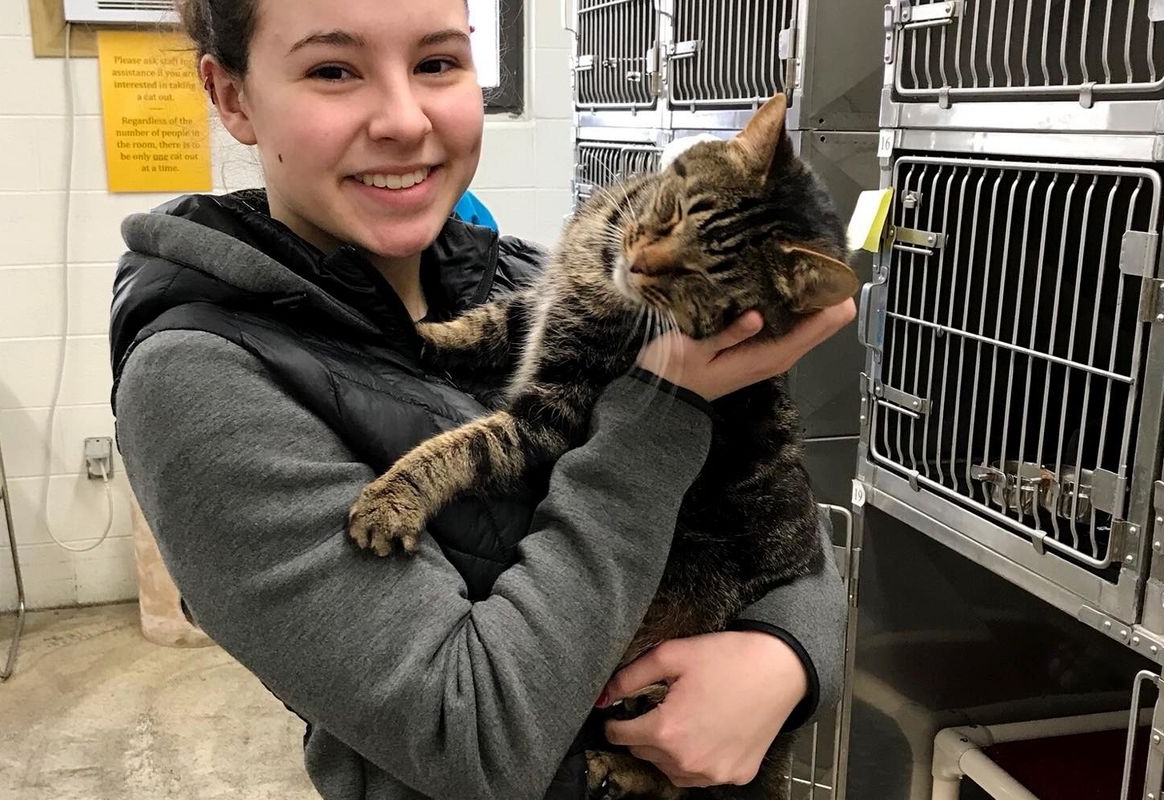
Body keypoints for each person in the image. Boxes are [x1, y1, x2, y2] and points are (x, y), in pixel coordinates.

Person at [109, 1, 854, 798]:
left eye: (437, 63)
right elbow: (474, 743)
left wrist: (785, 659)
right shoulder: (201, 381)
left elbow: (786, 524)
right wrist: (664, 407)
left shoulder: (518, 274)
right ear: (231, 96)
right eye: (334, 70)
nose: (404, 119)